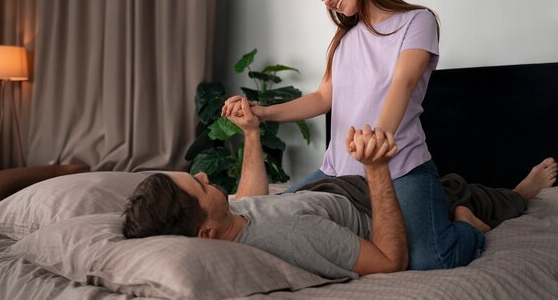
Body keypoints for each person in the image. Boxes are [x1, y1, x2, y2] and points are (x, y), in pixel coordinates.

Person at [221, 0, 557, 270]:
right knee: (263, 217)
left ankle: (473, 220)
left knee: (431, 259)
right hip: (337, 172)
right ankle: (450, 199)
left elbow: (403, 83)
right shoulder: (343, 40)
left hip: (400, 168)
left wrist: (379, 138)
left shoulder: (416, 21)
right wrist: (261, 113)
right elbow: (323, 98)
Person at [123, 98, 410, 279]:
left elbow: (251, 201)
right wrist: (376, 168)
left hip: (319, 191)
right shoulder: (294, 234)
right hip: (361, 197)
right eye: (199, 185)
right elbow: (389, 262)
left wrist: (250, 132)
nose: (203, 174)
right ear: (206, 234)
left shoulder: (226, 227)